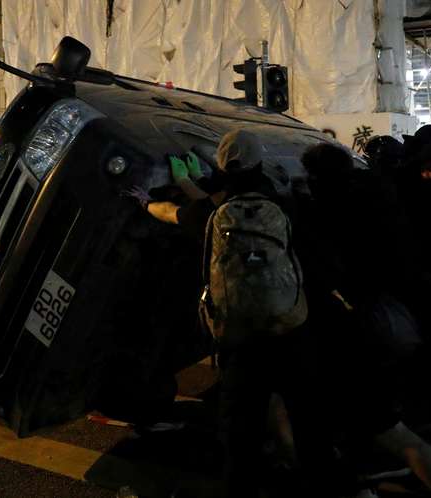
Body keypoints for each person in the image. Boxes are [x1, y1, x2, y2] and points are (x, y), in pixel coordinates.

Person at [127, 129, 326, 498]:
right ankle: (316, 479)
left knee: (240, 429)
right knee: (307, 417)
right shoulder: (283, 201)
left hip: (239, 336)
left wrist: (144, 203)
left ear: (221, 165)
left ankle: (242, 485)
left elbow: (173, 214)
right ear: (258, 161)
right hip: (290, 330)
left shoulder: (215, 213)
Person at [298, 142, 431, 498]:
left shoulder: (326, 213)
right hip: (388, 320)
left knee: (386, 427)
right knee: (378, 421)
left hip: (353, 331)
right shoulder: (379, 200)